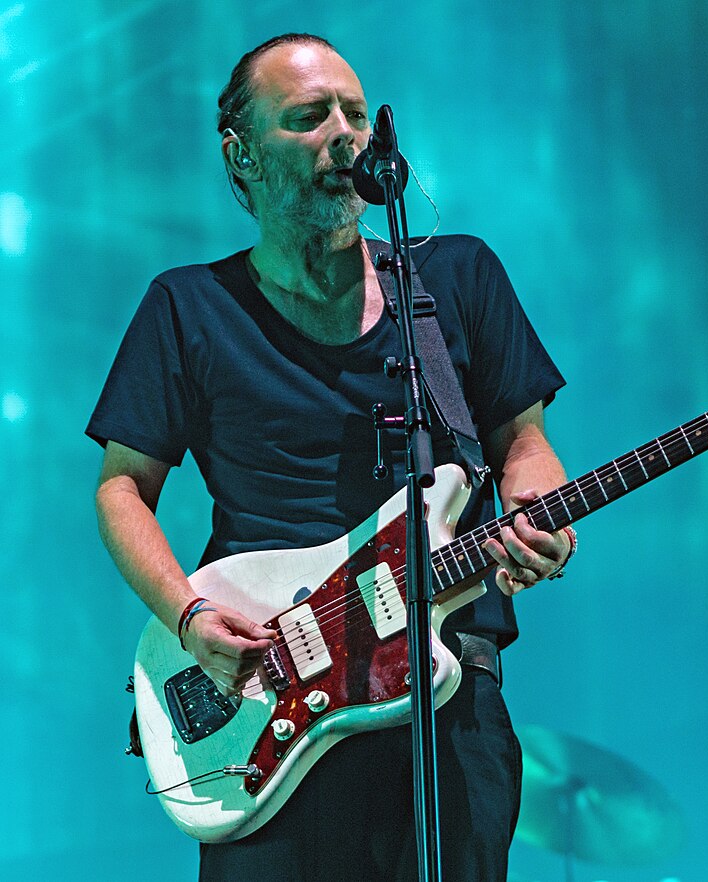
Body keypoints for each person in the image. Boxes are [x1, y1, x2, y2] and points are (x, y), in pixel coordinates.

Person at [88, 32, 574, 882]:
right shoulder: (188, 307)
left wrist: (541, 516)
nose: (344, 134)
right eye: (309, 117)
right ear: (241, 156)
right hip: (270, 695)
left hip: (446, 683)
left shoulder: (455, 278)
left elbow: (524, 444)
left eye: (355, 112)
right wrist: (189, 616)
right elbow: (122, 488)